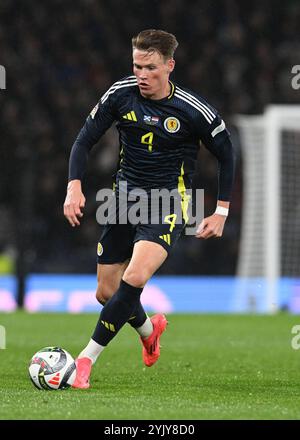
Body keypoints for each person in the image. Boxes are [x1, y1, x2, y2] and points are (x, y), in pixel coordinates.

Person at [63, 29, 235, 389]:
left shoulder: (192, 110)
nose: (141, 74)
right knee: (107, 294)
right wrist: (73, 186)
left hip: (168, 202)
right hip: (122, 199)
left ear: (169, 66)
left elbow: (226, 153)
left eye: (150, 67)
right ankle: (148, 328)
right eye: (137, 65)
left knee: (135, 278)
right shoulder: (120, 94)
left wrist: (221, 210)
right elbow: (84, 140)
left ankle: (85, 360)